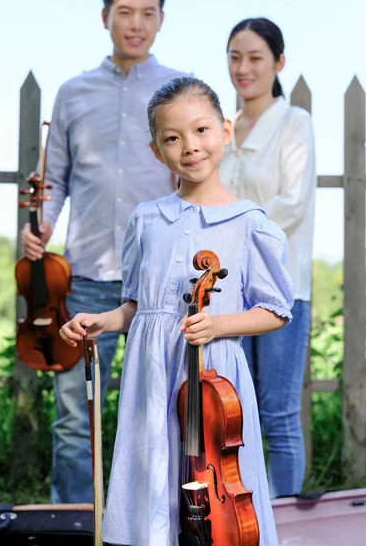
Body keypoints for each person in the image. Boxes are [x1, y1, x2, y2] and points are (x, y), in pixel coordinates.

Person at [60, 76, 294, 546]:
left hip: (212, 380)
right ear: (155, 150)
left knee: (221, 486)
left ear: (225, 131)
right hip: (151, 374)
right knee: (153, 479)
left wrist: (220, 323)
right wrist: (103, 322)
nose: (190, 146)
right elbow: (137, 305)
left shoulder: (250, 224)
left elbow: (276, 310)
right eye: (172, 138)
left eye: (201, 130)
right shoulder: (147, 220)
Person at [21, 0, 188, 504]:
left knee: (156, 418)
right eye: (124, 13)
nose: (135, 23)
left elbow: (191, 176)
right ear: (105, 16)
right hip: (85, 279)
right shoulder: (73, 93)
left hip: (156, 283)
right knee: (75, 418)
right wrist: (41, 224)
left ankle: (145, 524)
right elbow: (58, 180)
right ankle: (73, 521)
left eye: (147, 13)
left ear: (161, 19)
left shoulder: (177, 91)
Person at [220, 17, 316, 499]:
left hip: (281, 292)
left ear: (278, 62)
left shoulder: (295, 123)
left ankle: (286, 526)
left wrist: (231, 238)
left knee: (277, 414)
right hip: (227, 296)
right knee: (236, 412)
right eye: (235, 56)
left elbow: (291, 205)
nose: (244, 67)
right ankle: (246, 519)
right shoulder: (223, 128)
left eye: (256, 57)